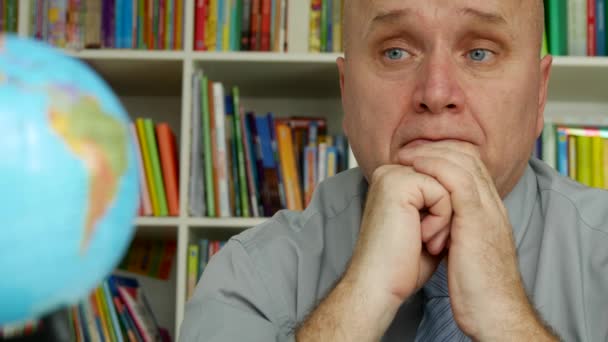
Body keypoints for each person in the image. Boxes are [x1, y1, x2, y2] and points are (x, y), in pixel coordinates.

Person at [179, 0, 608, 340]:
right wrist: (360, 302)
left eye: (480, 52)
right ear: (346, 93)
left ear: (539, 93)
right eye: (396, 51)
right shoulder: (251, 273)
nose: (436, 93)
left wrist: (507, 322)